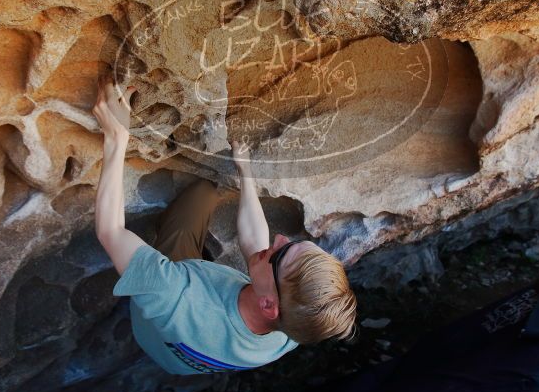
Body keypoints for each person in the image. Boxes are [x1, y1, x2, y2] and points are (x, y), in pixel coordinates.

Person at [91, 75, 357, 374]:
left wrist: (116, 135)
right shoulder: (295, 326)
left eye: (281, 255)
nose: (280, 238)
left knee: (202, 193)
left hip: (162, 314)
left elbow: (110, 231)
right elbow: (256, 246)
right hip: (177, 361)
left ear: (269, 305)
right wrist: (245, 172)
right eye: (294, 244)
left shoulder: (173, 293)